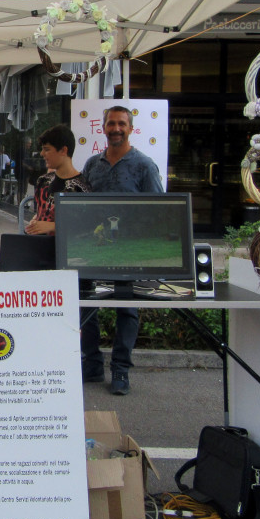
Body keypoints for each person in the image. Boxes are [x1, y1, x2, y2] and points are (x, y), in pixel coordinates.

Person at [81, 105, 164, 396]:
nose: (116, 128)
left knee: (126, 308)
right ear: (102, 128)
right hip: (95, 248)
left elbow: (157, 210)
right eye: (111, 124)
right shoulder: (92, 164)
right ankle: (91, 365)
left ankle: (120, 370)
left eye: (121, 124)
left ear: (130, 128)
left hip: (128, 250)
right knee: (86, 304)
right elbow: (83, 207)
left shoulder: (144, 165)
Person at [24, 124, 90, 236]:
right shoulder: (43, 180)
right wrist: (35, 222)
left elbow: (85, 227)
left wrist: (53, 226)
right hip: (38, 248)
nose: (42, 154)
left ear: (63, 150)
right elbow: (41, 212)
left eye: (47, 149)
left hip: (65, 252)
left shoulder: (81, 187)